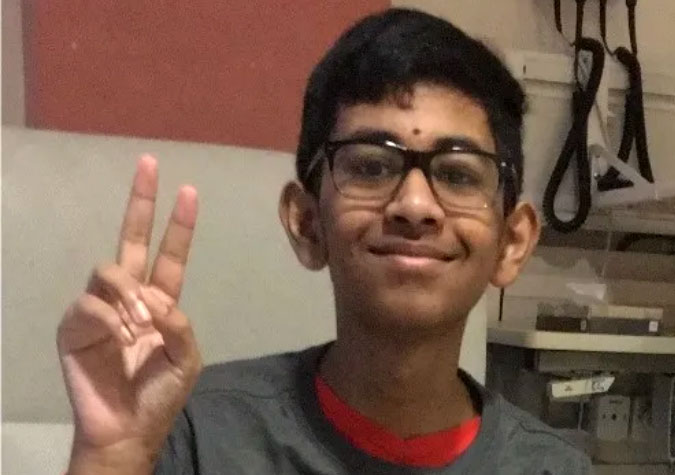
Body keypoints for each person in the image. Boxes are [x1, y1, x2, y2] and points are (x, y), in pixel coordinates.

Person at [57, 8, 592, 475]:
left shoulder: (553, 470)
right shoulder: (191, 433)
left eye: (457, 174)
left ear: (512, 242)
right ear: (307, 223)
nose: (415, 205)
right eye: (371, 165)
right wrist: (110, 458)